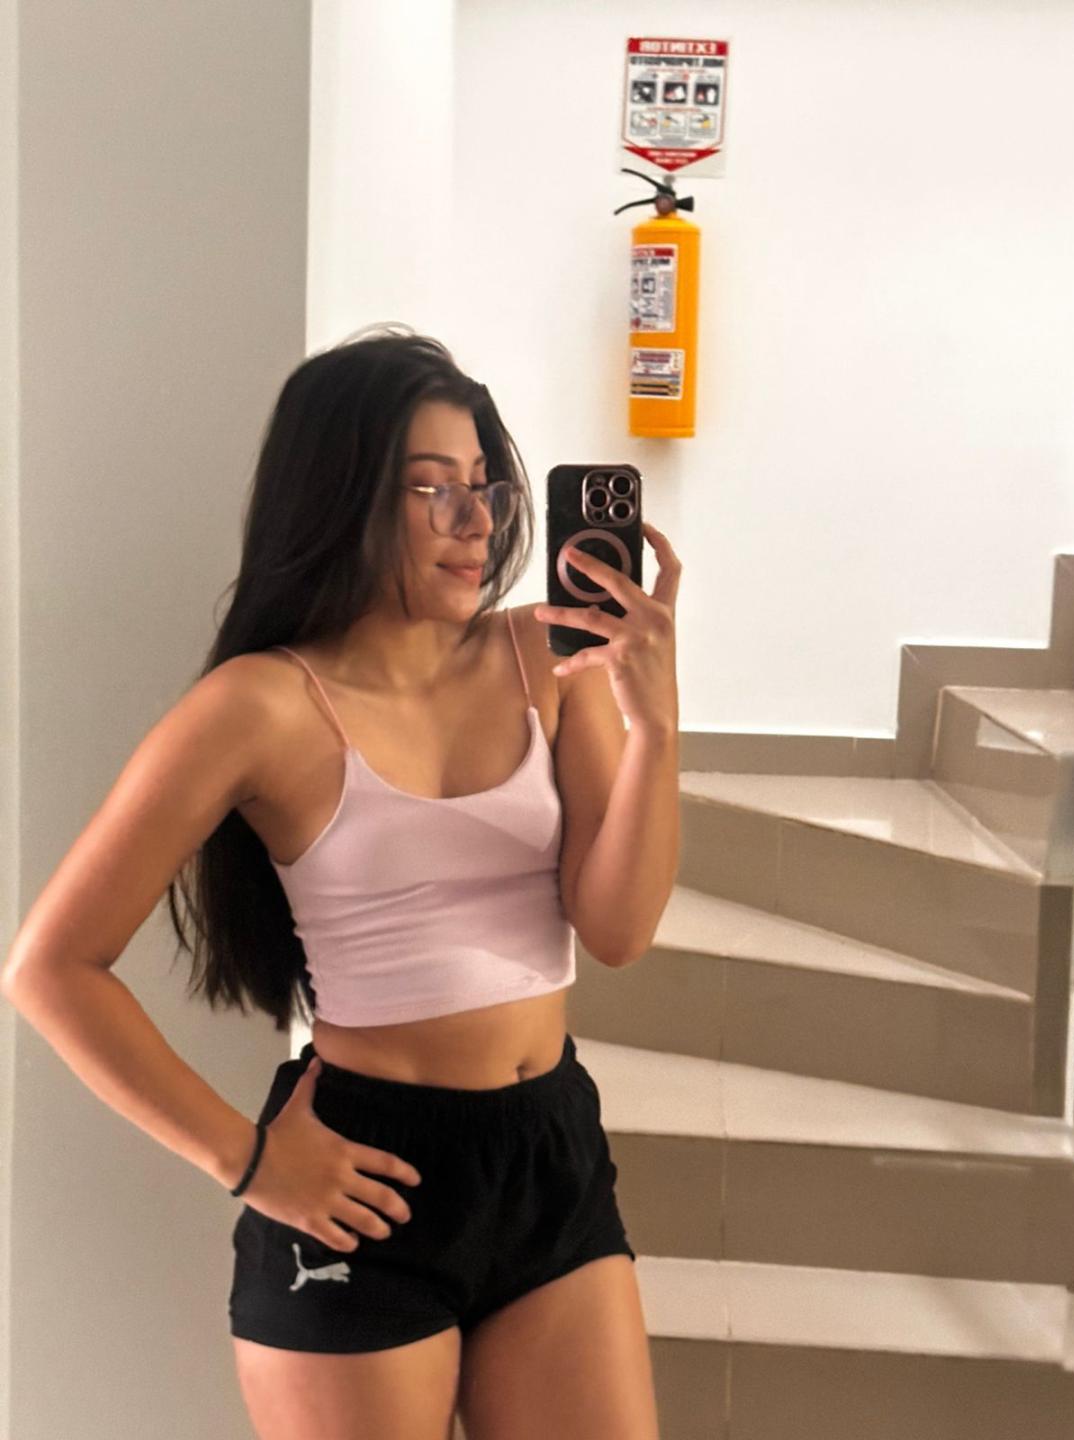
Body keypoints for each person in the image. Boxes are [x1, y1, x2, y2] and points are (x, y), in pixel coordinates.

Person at [1, 323, 681, 1439]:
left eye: (484, 486)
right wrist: (248, 1160)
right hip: (364, 1174)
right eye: (433, 489)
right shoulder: (259, 706)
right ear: (343, 495)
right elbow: (50, 968)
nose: (476, 522)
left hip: (549, 1149)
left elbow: (618, 928)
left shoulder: (545, 660)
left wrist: (654, 727)